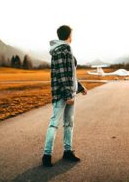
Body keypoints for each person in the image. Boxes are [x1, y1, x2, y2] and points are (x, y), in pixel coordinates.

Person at [42, 25, 87, 167]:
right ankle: (47, 155)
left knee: (68, 123)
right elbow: (63, 74)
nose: (72, 37)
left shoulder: (63, 49)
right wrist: (68, 95)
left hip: (69, 92)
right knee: (55, 123)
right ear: (68, 35)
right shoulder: (64, 48)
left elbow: (70, 73)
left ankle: (67, 151)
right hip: (63, 94)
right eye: (71, 34)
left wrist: (79, 87)